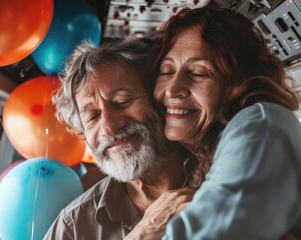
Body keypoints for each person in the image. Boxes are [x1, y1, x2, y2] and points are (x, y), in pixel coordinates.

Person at [127, 5, 301, 239]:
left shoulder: (259, 128)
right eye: (166, 71)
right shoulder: (207, 158)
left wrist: (142, 233)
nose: (173, 89)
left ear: (238, 84)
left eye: (198, 73)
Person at [44, 39, 196, 239]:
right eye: (93, 116)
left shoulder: (225, 177)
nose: (108, 127)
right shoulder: (73, 226)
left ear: (160, 101)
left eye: (122, 101)